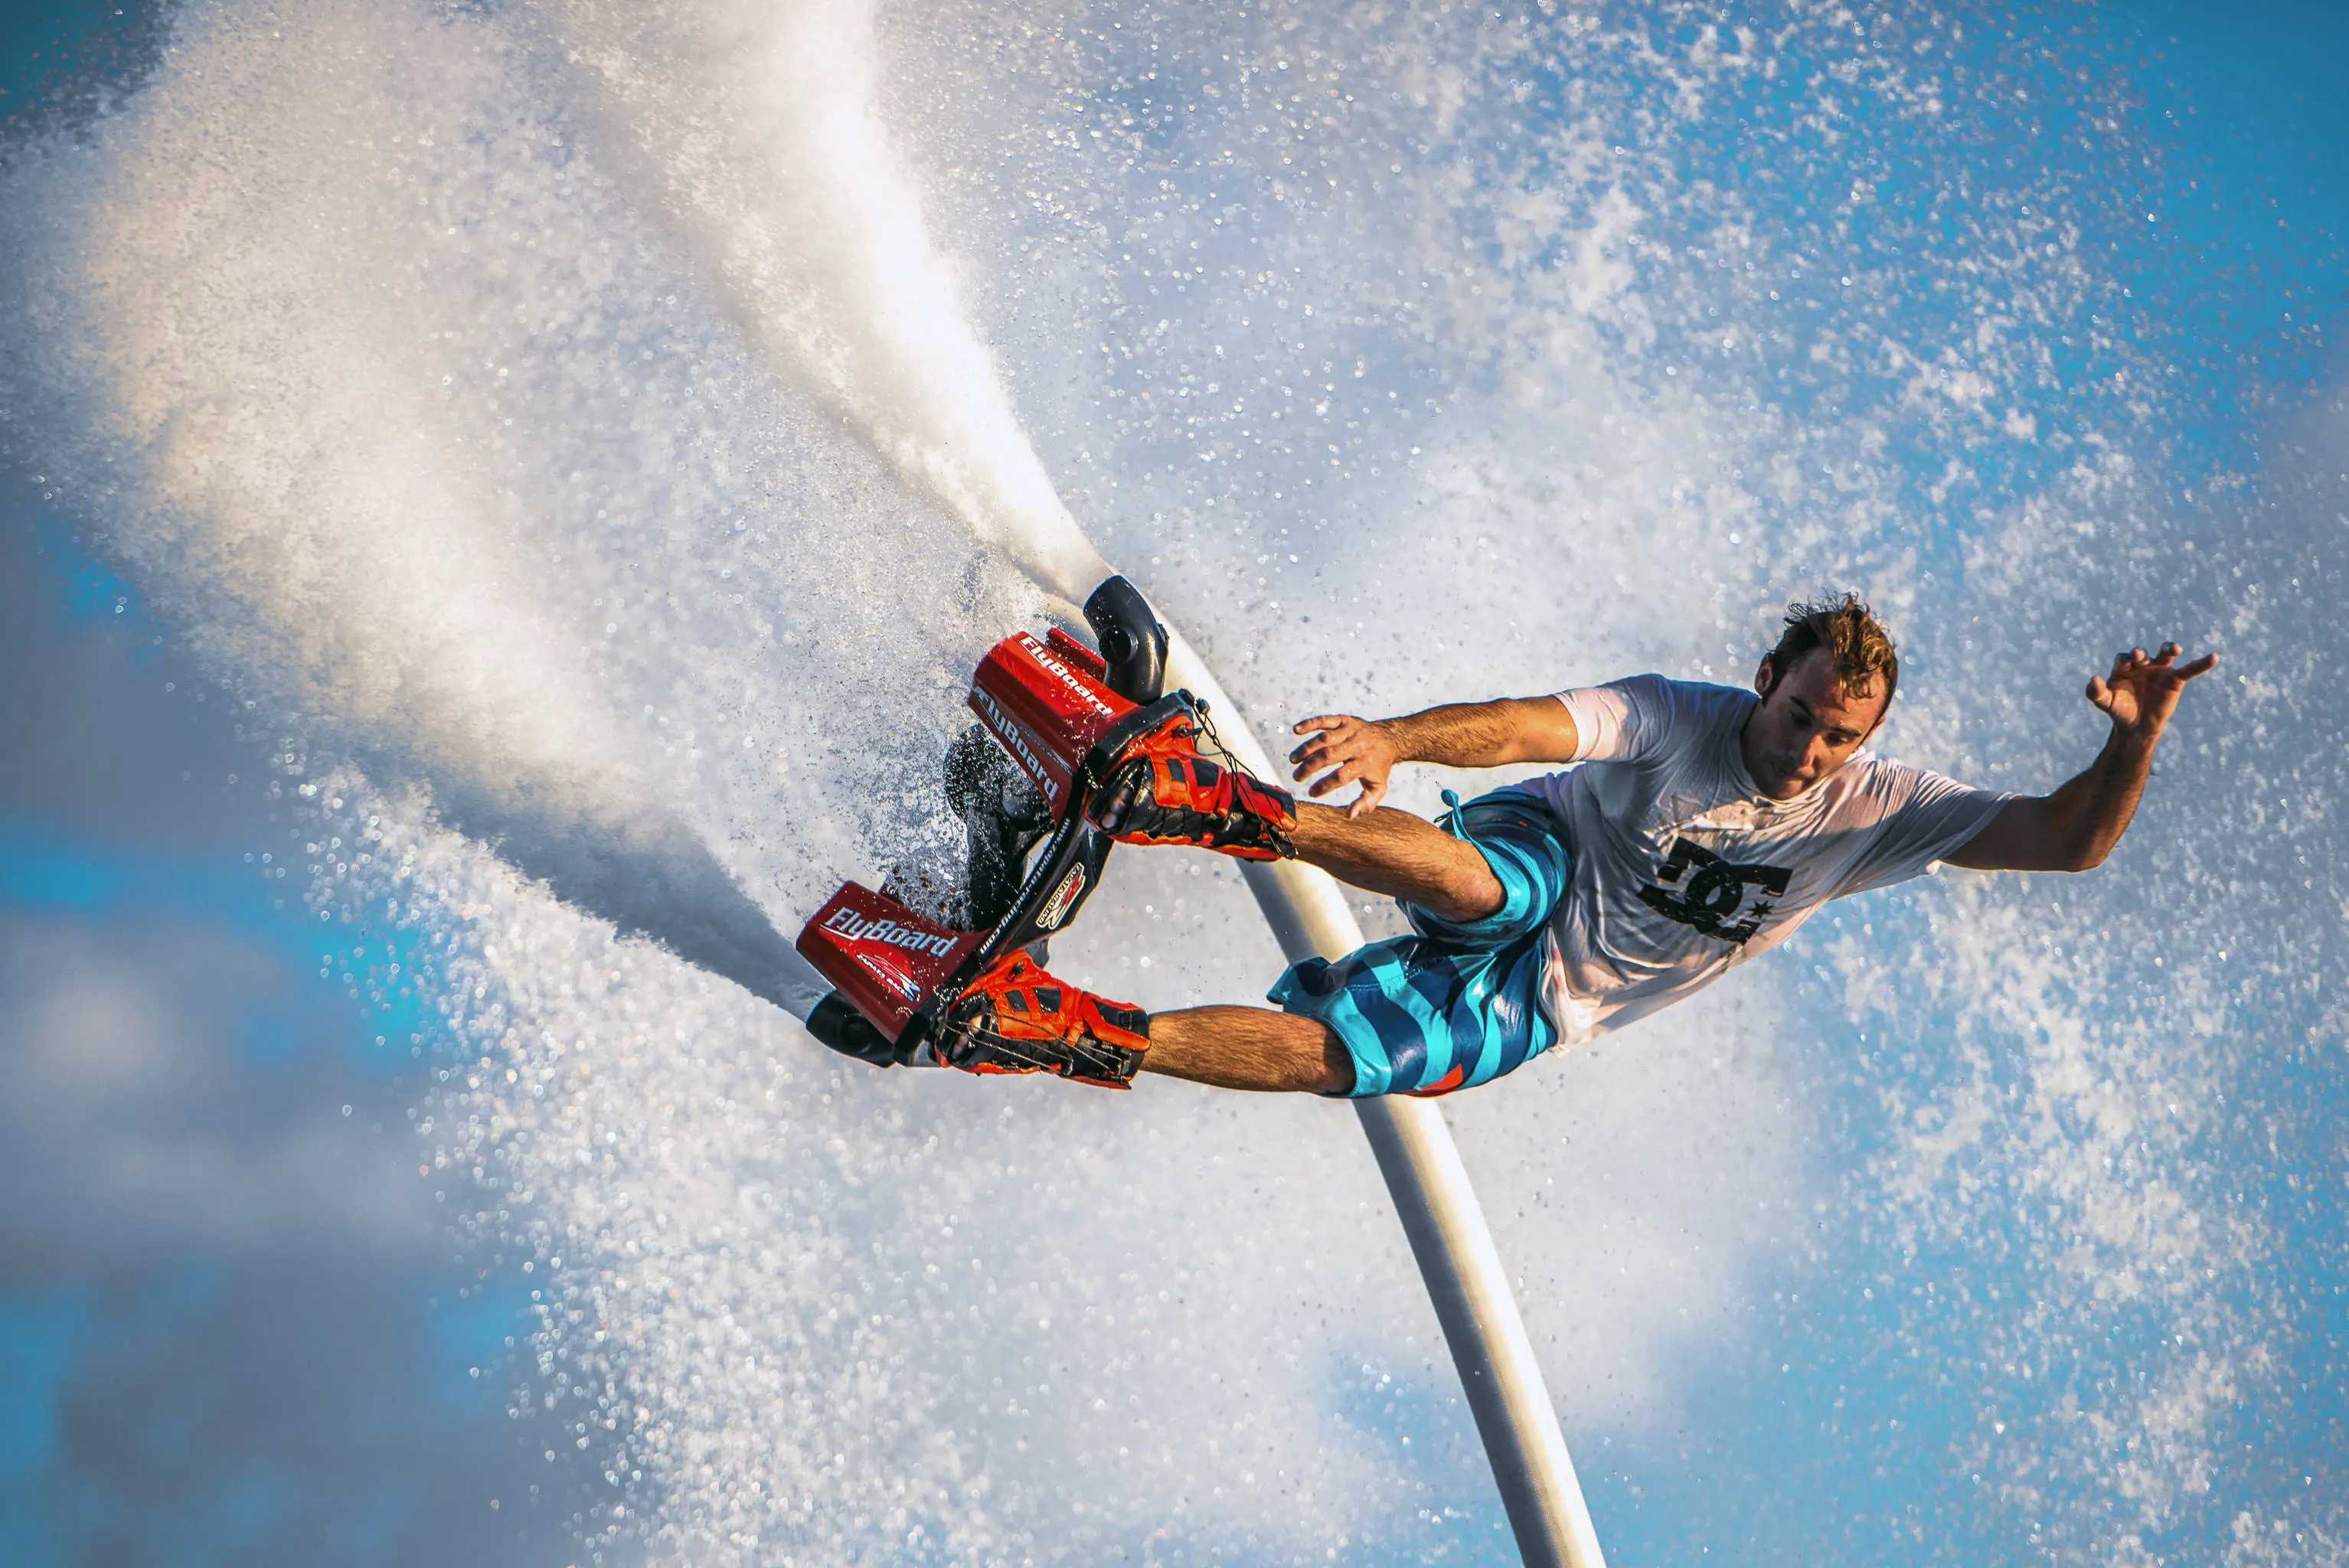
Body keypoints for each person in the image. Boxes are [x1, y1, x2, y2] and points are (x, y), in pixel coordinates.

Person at [935, 594, 2217, 1096]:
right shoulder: (1684, 714)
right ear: (1765, 679)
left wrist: (2137, 736)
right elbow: (1524, 725)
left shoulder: (1874, 810)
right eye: (1799, 717)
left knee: (1355, 1065)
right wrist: (1396, 737)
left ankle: (1055, 1026)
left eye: (1837, 738)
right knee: (1487, 884)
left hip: (1563, 999)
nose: (1808, 753)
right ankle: (1194, 801)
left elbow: (2068, 842)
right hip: (1547, 855)